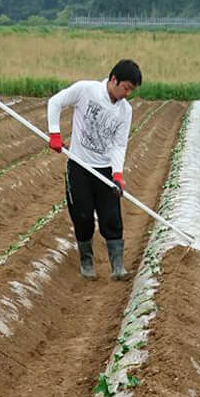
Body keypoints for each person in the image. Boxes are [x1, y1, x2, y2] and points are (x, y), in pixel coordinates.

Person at [47, 59, 142, 281]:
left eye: (131, 90)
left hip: (105, 170)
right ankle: (86, 261)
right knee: (83, 217)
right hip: (79, 166)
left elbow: (119, 144)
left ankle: (118, 267)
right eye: (126, 87)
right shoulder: (86, 90)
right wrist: (54, 133)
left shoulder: (124, 111)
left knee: (111, 217)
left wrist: (117, 175)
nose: (127, 93)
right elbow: (55, 102)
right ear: (114, 80)